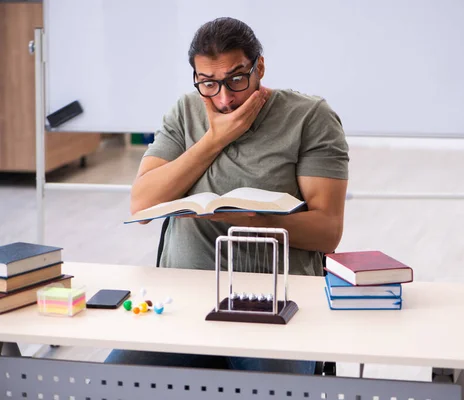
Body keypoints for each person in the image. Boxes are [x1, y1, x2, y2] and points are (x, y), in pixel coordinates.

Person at [106, 17, 349, 374]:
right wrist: (215, 139)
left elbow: (328, 230)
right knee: (111, 380)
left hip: (276, 302)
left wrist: (255, 220)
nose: (224, 98)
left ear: (259, 67)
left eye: (236, 79)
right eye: (208, 83)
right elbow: (142, 205)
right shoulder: (185, 112)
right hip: (184, 298)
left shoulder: (310, 117)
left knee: (273, 386)